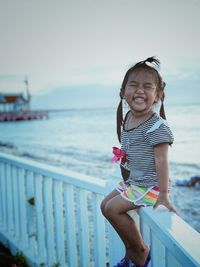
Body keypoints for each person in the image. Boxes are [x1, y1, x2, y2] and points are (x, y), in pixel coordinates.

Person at [101, 57, 177, 267]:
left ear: (157, 95)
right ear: (123, 92)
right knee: (104, 205)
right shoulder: (128, 119)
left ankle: (141, 251)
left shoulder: (157, 126)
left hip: (151, 185)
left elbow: (162, 161)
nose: (140, 90)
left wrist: (163, 195)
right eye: (133, 85)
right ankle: (131, 250)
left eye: (147, 86)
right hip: (136, 181)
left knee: (113, 209)